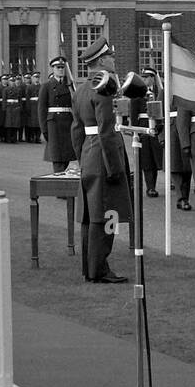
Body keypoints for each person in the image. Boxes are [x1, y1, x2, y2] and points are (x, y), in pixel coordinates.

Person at [69, 39, 130, 283]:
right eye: (111, 57)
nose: (113, 60)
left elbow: (76, 130)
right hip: (104, 157)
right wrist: (115, 167)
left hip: (88, 154)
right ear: (102, 61)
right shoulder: (103, 88)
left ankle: (90, 267)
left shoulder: (82, 89)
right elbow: (106, 131)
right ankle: (100, 269)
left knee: (90, 217)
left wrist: (81, 157)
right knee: (107, 215)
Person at [37, 56, 77, 173]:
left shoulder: (69, 86)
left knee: (66, 156)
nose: (60, 70)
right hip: (54, 123)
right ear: (53, 69)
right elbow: (41, 109)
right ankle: (58, 179)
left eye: (62, 67)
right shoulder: (47, 86)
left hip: (68, 122)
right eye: (58, 67)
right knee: (57, 158)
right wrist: (44, 129)